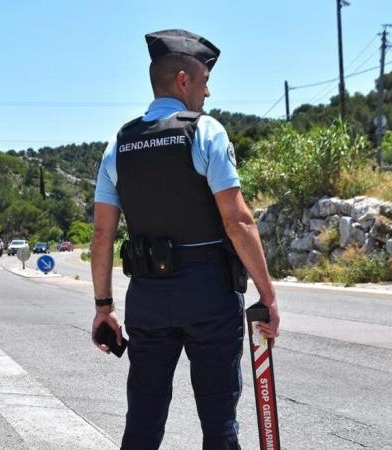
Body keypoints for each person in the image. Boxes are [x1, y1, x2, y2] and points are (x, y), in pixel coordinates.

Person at [90, 29, 280, 450]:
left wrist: (104, 307)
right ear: (182, 80)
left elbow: (102, 233)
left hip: (148, 300)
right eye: (204, 81)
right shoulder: (206, 132)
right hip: (209, 296)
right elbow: (238, 222)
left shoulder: (117, 145)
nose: (208, 92)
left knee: (143, 418)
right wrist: (267, 294)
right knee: (218, 422)